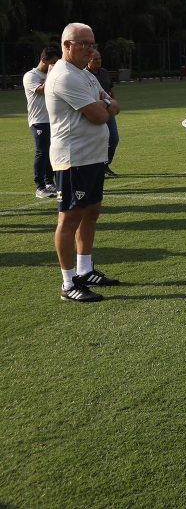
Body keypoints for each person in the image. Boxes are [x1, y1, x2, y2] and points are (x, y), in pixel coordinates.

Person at [45, 23, 122, 302]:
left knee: (91, 212)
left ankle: (85, 270)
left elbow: (113, 104)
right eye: (84, 43)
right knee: (69, 218)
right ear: (67, 45)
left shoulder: (85, 75)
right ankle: (68, 283)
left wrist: (105, 106)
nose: (91, 48)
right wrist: (105, 107)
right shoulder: (65, 76)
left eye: (92, 43)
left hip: (92, 157)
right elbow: (101, 114)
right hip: (73, 159)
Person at [24, 46, 61, 198]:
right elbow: (43, 90)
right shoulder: (30, 76)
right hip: (39, 120)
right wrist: (52, 72)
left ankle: (49, 183)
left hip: (53, 119)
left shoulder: (51, 74)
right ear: (44, 60)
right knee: (42, 152)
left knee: (53, 152)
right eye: (52, 62)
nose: (54, 65)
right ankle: (40, 187)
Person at [86, 50, 120, 177]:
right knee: (97, 140)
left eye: (100, 58)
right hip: (94, 111)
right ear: (88, 60)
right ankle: (97, 167)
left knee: (114, 138)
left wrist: (114, 102)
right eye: (95, 59)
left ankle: (105, 165)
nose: (99, 61)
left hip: (108, 109)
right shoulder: (84, 75)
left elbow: (109, 89)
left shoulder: (104, 72)